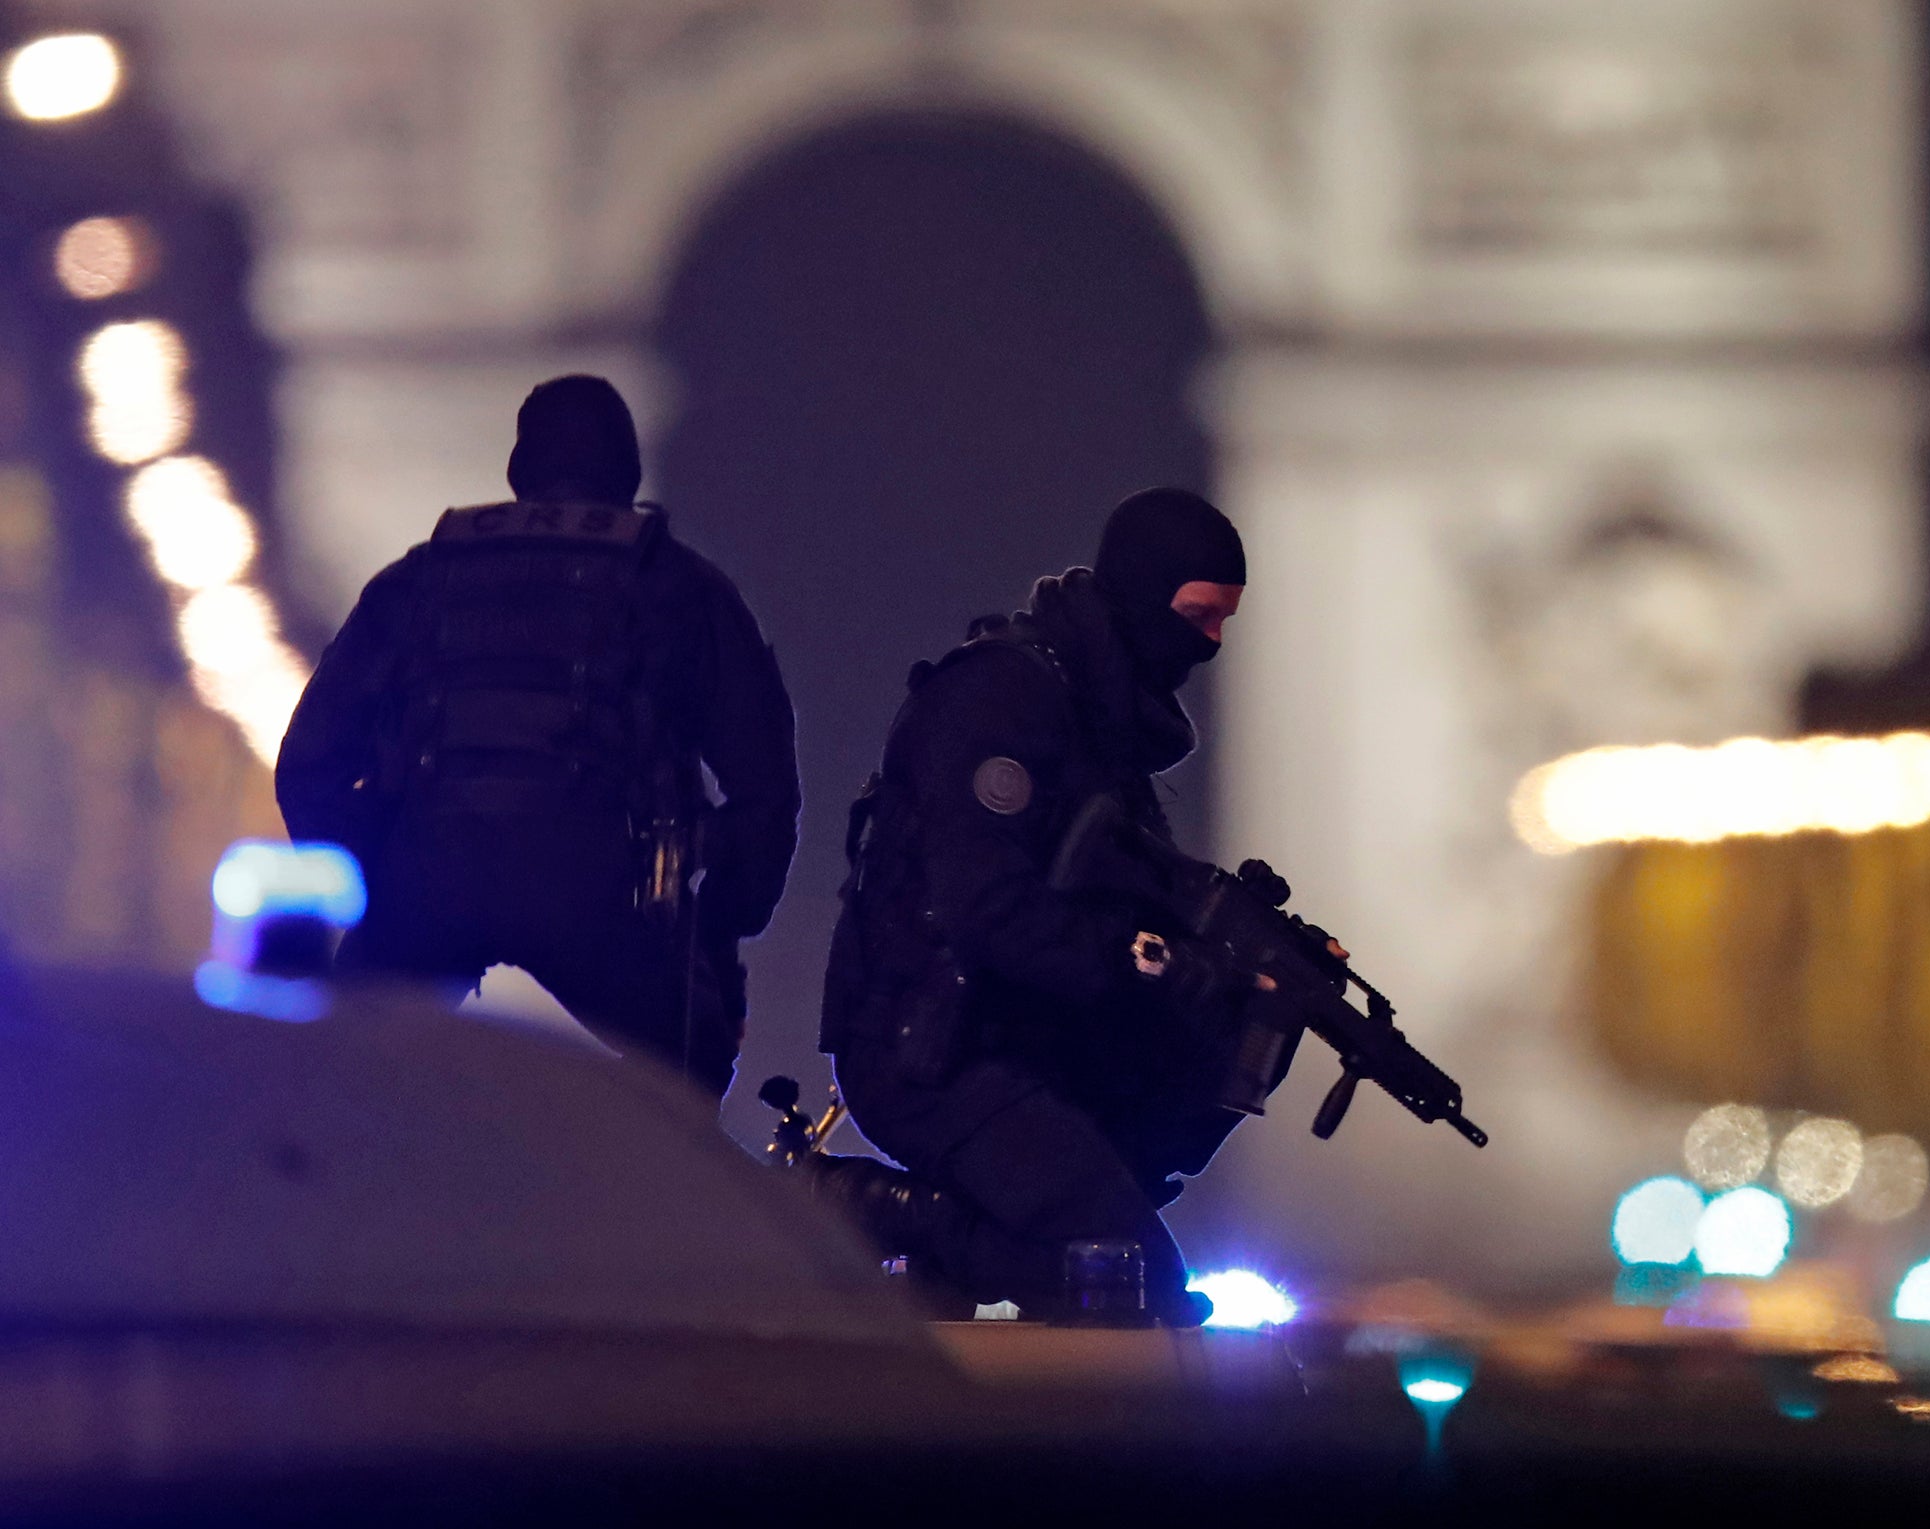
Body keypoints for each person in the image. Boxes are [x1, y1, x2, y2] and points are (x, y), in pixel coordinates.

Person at [817, 487, 1271, 1324]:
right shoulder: (1005, 698)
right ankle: (870, 1209)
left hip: (1021, 1047)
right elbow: (988, 908)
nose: (1208, 644)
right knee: (1126, 1278)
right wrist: (1152, 962)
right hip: (929, 1048)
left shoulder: (1099, 722)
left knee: (1097, 1257)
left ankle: (936, 1264)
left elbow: (1111, 885)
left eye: (1223, 621)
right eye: (1197, 614)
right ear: (1142, 593)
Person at [275, 375, 798, 1100]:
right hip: (609, 894)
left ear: (519, 470)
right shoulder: (679, 587)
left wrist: (382, 869)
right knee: (684, 1084)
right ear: (628, 471)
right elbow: (764, 788)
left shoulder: (418, 580)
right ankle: (626, 1209)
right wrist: (719, 924)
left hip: (430, 880)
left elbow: (308, 767)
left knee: (348, 1090)